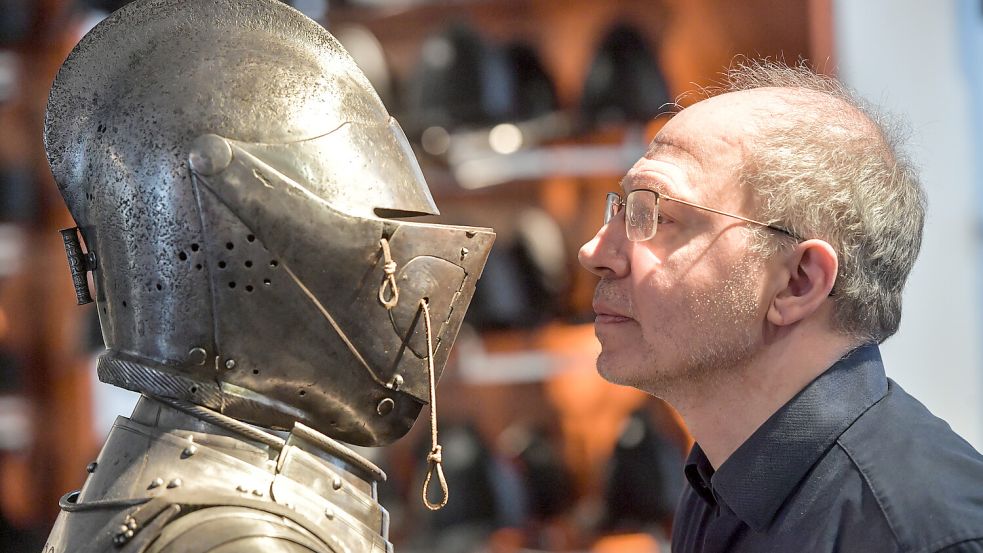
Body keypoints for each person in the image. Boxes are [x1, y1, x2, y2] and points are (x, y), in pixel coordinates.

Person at [41, 0, 493, 551]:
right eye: (370, 225)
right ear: (238, 233)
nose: (393, 254)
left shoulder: (173, 482)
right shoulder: (241, 535)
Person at [578, 60, 983, 552]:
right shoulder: (716, 482)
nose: (594, 252)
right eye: (621, 210)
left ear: (797, 282)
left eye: (655, 215)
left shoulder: (921, 534)